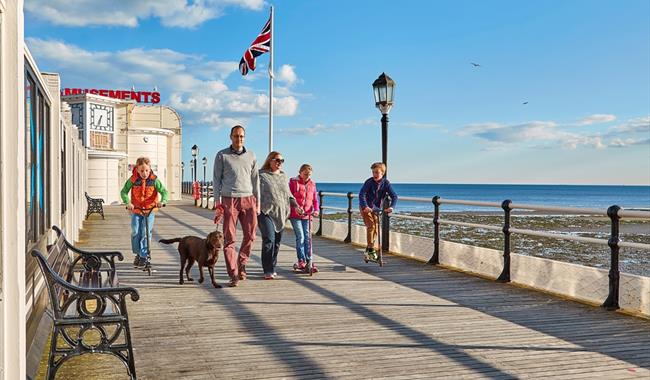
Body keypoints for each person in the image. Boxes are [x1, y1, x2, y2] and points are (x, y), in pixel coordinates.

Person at [213, 125, 260, 287]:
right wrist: (217, 202)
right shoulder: (222, 155)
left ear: (244, 138)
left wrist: (257, 202)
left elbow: (256, 181)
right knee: (229, 240)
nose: (238, 139)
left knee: (251, 235)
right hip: (229, 200)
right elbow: (216, 180)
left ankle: (242, 263)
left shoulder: (251, 155)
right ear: (230, 137)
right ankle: (233, 274)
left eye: (241, 136)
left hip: (249, 199)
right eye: (236, 136)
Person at [258, 151, 301, 279]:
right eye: (277, 160)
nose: (279, 163)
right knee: (269, 240)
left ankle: (272, 266)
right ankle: (267, 270)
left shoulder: (283, 176)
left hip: (281, 213)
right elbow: (254, 192)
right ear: (270, 160)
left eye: (281, 161)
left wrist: (296, 206)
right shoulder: (261, 175)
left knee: (277, 242)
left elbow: (288, 195)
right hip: (265, 211)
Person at [120, 156, 169, 268]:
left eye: (147, 170)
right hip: (137, 210)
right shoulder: (133, 180)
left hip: (149, 211)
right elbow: (123, 192)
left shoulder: (154, 180)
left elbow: (164, 192)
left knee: (145, 233)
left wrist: (163, 201)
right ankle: (138, 253)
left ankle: (143, 256)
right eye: (142, 170)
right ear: (137, 169)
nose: (144, 173)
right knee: (135, 231)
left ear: (150, 169)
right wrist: (128, 202)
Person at [358, 162, 398, 261]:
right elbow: (361, 194)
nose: (374, 174)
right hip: (366, 207)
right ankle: (371, 250)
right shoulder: (369, 182)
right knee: (371, 226)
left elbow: (394, 196)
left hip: (376, 208)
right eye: (373, 172)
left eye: (377, 172)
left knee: (376, 228)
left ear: (382, 173)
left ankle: (368, 249)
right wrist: (365, 206)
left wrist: (391, 207)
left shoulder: (386, 183)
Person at [288, 164, 319, 272]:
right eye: (305, 174)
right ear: (300, 172)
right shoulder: (293, 182)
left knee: (308, 238)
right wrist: (294, 208)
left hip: (307, 215)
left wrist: (316, 210)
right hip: (295, 215)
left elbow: (315, 200)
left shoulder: (312, 184)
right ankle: (301, 260)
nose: (307, 176)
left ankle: (309, 260)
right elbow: (289, 197)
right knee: (300, 237)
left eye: (309, 175)